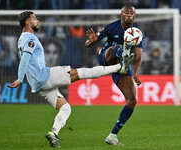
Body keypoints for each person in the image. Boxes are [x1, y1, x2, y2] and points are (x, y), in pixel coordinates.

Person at [7, 11, 134, 148]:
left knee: (66, 108)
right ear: (27, 22)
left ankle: (53, 133)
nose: (37, 21)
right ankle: (119, 67)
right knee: (84, 72)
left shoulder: (21, 39)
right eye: (34, 19)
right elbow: (25, 58)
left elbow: (26, 59)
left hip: (36, 83)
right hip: (44, 76)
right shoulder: (30, 39)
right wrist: (19, 79)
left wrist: (23, 78)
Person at [85, 5, 144, 146]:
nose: (129, 15)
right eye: (126, 12)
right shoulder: (112, 27)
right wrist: (91, 42)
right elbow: (89, 42)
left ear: (134, 16)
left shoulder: (136, 32)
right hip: (107, 57)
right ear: (121, 14)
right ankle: (123, 57)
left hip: (121, 68)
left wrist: (135, 73)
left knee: (132, 99)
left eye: (132, 13)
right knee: (116, 48)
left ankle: (112, 136)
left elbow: (139, 55)